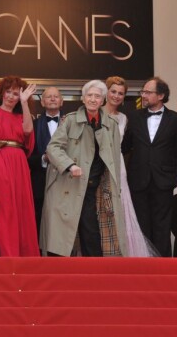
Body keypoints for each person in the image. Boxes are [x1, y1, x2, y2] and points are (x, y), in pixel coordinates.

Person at [41, 80, 127, 257]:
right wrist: (69, 165)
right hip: (68, 185)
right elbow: (53, 147)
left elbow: (114, 158)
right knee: (61, 235)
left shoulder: (111, 124)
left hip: (94, 187)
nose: (93, 99)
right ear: (83, 98)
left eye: (97, 96)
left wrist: (115, 185)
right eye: (89, 95)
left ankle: (94, 276)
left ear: (103, 100)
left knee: (91, 231)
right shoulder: (70, 120)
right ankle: (59, 278)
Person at [0, 75, 39, 257]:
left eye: (16, 94)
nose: (12, 96)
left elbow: (28, 131)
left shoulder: (21, 115)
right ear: (1, 93)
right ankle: (10, 258)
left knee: (23, 210)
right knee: (4, 211)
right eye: (9, 92)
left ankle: (26, 259)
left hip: (19, 164)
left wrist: (25, 103)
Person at [122, 77, 177, 257]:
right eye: (143, 91)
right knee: (141, 226)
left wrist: (174, 179)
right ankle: (142, 267)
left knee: (162, 227)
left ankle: (164, 268)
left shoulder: (176, 119)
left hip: (163, 182)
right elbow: (125, 147)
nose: (144, 95)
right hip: (138, 180)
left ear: (161, 95)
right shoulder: (133, 116)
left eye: (148, 92)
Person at [103, 76, 159, 257]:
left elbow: (126, 146)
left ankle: (125, 251)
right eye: (113, 91)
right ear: (106, 91)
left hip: (119, 168)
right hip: (99, 165)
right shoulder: (95, 113)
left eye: (121, 93)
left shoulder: (124, 119)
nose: (116, 96)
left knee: (123, 209)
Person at [28, 86, 63, 237]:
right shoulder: (33, 126)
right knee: (40, 223)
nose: (53, 99)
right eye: (49, 97)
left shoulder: (72, 124)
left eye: (56, 96)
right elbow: (27, 157)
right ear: (42, 102)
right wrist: (44, 158)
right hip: (40, 182)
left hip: (66, 181)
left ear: (61, 101)